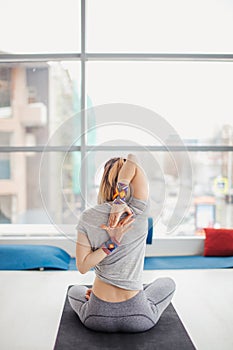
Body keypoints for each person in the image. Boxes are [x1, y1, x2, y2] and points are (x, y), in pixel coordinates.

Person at [68, 154, 176, 332]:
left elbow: (82, 266)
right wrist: (120, 200)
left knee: (75, 290)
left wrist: (112, 244)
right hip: (139, 316)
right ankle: (141, 291)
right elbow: (134, 158)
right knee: (168, 283)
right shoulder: (138, 211)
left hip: (96, 316)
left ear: (103, 182)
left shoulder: (88, 217)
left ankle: (97, 293)